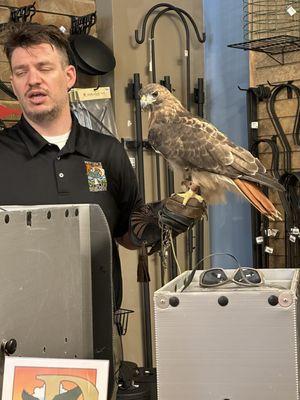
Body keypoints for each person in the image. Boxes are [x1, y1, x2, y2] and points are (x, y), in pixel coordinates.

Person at [1, 22, 204, 400]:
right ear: (12, 82)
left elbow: (128, 234)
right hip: (13, 340)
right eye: (20, 71)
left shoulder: (107, 152)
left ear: (69, 75)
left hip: (97, 333)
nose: (33, 80)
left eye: (44, 68)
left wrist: (165, 220)